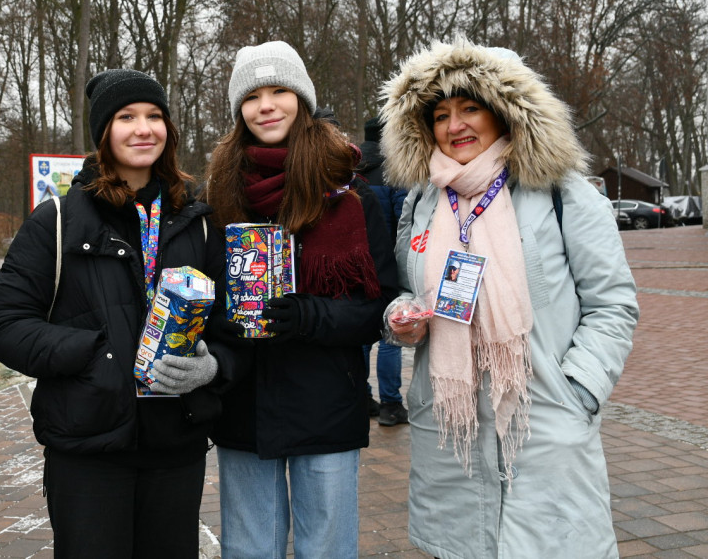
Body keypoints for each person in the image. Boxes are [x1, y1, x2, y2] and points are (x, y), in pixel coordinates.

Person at [380, 37, 639, 558]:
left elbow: (613, 304)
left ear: (504, 113)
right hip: (451, 436)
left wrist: (577, 394)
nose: (455, 126)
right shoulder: (423, 200)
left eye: (470, 108)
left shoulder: (563, 193)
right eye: (441, 115)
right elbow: (409, 287)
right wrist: (400, 317)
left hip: (543, 424)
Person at [0, 69, 241, 559]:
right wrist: (96, 356)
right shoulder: (58, 219)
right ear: (104, 131)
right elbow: (7, 325)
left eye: (154, 116)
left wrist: (213, 368)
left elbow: (232, 328)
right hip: (88, 448)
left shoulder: (199, 221)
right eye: (126, 117)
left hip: (175, 444)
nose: (143, 128)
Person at [203, 41, 398, 559]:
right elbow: (201, 291)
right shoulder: (220, 195)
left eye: (279, 91)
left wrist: (308, 314)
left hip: (326, 403)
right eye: (252, 96)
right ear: (239, 111)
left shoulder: (351, 196)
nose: (266, 105)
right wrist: (224, 320)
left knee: (327, 549)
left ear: (302, 101)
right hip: (244, 404)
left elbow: (380, 304)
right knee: (248, 549)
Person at [357, 115, 410, 426]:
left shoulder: (349, 169)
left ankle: (362, 398)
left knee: (362, 336)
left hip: (354, 268)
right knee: (391, 335)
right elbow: (405, 220)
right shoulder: (395, 170)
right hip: (388, 263)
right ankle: (391, 403)